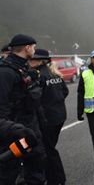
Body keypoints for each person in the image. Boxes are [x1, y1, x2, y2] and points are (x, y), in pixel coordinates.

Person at [0, 34, 47, 184]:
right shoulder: (6, 72)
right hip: (15, 133)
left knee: (36, 172)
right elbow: (2, 111)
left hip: (31, 130)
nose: (34, 49)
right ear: (27, 48)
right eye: (33, 46)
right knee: (10, 175)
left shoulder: (23, 68)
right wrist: (17, 130)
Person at [28, 49, 69, 185]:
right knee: (50, 147)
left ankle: (57, 179)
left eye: (32, 59)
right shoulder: (54, 74)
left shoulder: (39, 76)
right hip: (59, 116)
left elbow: (36, 98)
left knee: (49, 149)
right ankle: (54, 177)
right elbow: (65, 91)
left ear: (40, 61)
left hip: (47, 119)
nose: (29, 61)